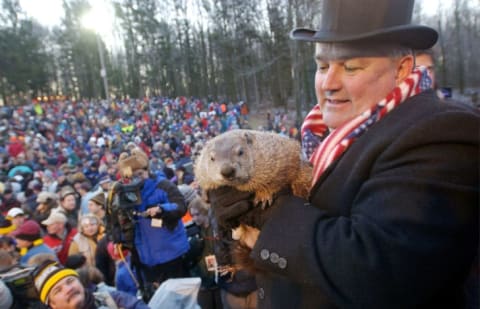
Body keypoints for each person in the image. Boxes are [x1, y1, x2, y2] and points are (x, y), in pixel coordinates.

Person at [207, 0, 479, 308]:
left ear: (402, 69)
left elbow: (380, 268)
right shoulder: (326, 132)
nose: (329, 83)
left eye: (351, 67)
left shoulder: (444, 130)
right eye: (322, 66)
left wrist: (266, 216)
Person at [112, 147, 190, 298]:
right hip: (145, 258)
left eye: (140, 174)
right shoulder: (125, 193)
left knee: (181, 297)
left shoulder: (163, 185)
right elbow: (119, 221)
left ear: (147, 169)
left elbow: (180, 206)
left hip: (171, 253)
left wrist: (162, 209)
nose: (138, 179)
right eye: (132, 176)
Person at [33, 260, 149, 309]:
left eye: (70, 281)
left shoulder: (110, 299)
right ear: (53, 304)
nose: (68, 289)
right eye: (58, 290)